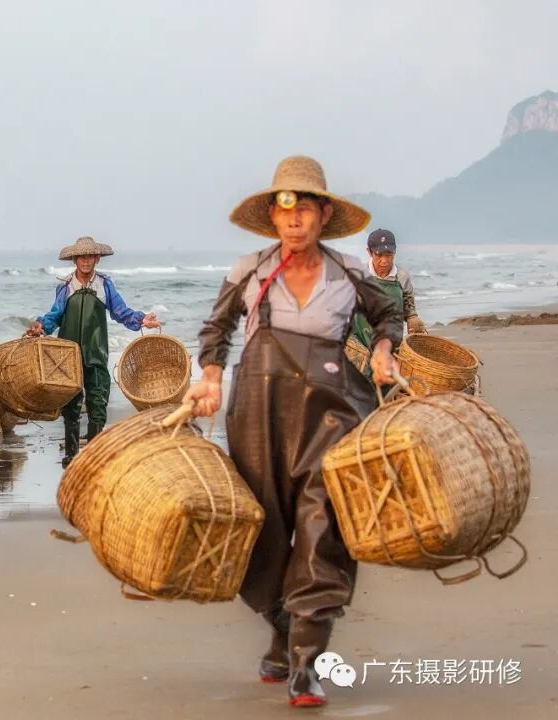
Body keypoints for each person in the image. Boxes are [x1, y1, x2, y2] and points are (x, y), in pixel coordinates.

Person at [183, 156, 403, 708]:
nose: (296, 221)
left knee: (321, 524)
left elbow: (388, 317)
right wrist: (209, 377)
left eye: (306, 209)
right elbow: (218, 328)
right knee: (261, 527)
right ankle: (282, 627)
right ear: (274, 218)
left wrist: (382, 351)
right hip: (258, 412)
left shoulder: (349, 271)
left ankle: (306, 662)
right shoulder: (250, 270)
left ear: (324, 214)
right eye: (287, 211)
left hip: (331, 412)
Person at [26, 237, 160, 466]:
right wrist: (40, 326)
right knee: (71, 405)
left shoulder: (105, 284)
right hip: (68, 357)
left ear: (97, 259)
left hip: (96, 353)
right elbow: (54, 316)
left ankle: (94, 457)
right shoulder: (65, 287)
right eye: (81, 257)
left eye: (89, 256)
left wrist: (142, 320)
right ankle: (70, 456)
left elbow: (121, 312)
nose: (85, 261)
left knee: (98, 401)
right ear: (74, 260)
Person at [351, 228, 427, 349]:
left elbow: (408, 301)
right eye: (379, 255)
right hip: (359, 344)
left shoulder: (402, 276)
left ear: (395, 252)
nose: (385, 261)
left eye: (389, 254)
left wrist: (412, 317)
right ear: (369, 252)